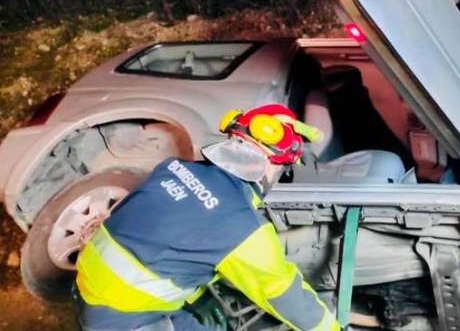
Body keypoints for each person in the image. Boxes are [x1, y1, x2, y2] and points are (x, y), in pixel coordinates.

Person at [73, 104, 339, 331]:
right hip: (124, 318)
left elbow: (165, 237)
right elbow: (284, 294)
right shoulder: (241, 227)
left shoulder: (173, 168)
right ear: (271, 162)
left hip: (88, 287)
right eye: (283, 168)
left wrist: (198, 297)